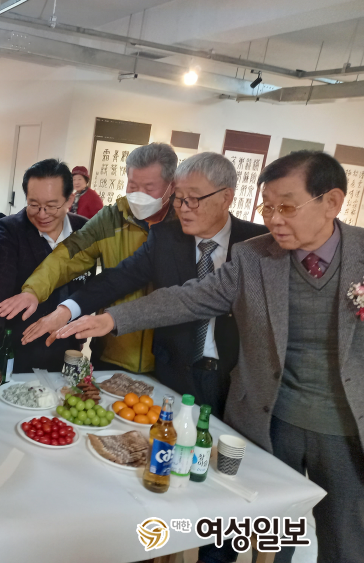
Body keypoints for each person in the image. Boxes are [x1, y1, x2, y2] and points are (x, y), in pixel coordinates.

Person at [58, 151, 364, 563]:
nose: (275, 219)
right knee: (274, 531)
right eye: (268, 207)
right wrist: (112, 318)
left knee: (346, 540)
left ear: (332, 202)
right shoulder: (256, 256)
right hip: (271, 420)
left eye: (287, 207)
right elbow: (189, 298)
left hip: (346, 426)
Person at [24, 153, 267, 418]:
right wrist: (67, 310)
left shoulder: (258, 245)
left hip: (234, 379)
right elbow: (116, 278)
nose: (183, 208)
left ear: (226, 197)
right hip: (174, 374)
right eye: (179, 198)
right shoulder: (165, 239)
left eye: (193, 199)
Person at [0, 143, 178, 374]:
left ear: (172, 186)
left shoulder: (185, 225)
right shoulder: (111, 219)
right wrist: (33, 290)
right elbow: (68, 256)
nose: (138, 194)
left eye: (149, 188)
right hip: (113, 348)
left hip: (169, 357)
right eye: (132, 186)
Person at [0, 159, 89, 372]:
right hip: (19, 346)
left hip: (67, 346)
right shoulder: (10, 228)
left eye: (51, 206)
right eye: (33, 205)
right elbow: (1, 277)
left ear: (69, 199)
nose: (42, 214)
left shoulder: (85, 230)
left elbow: (90, 287)